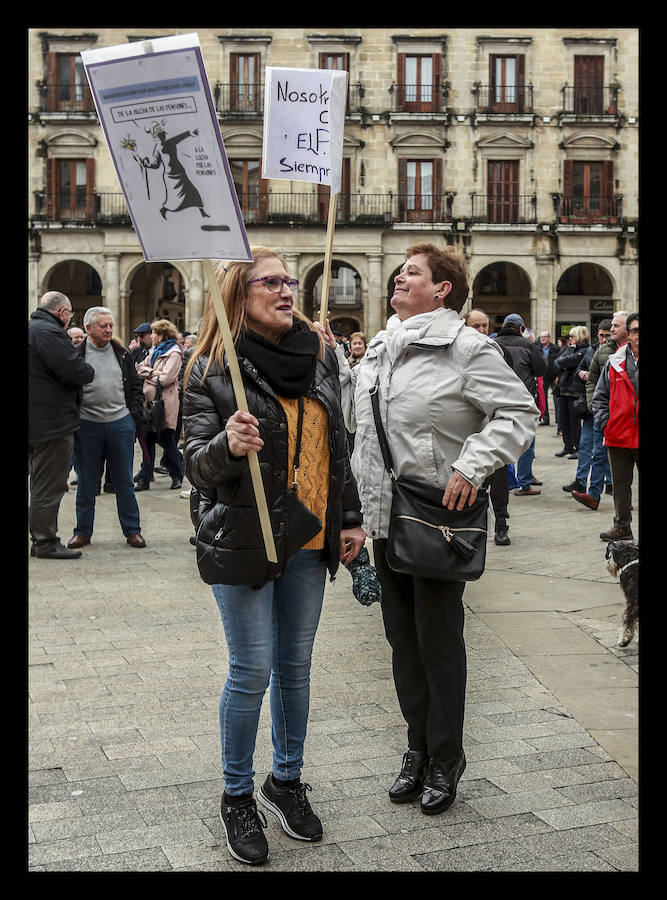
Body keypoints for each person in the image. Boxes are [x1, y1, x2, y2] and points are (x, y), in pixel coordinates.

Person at [334, 243, 538, 818]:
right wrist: (338, 373)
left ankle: (446, 756)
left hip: (437, 516)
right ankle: (416, 747)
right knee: (401, 642)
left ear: (442, 289)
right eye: (401, 270)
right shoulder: (380, 346)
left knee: (438, 641)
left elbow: (519, 413)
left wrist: (472, 466)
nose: (400, 277)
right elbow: (359, 425)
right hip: (384, 514)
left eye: (412, 272)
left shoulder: (467, 347)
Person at [182, 247, 364, 866]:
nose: (288, 290)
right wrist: (228, 447)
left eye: (290, 280)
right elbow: (195, 466)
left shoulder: (319, 357)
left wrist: (350, 515)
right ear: (239, 293)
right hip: (244, 536)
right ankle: (237, 795)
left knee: (296, 667)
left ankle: (285, 781)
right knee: (252, 670)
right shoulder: (209, 367)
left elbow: (338, 444)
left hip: (310, 539)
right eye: (272, 282)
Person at [67, 307, 146, 550]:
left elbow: (135, 387)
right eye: (103, 326)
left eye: (111, 325)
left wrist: (133, 416)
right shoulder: (76, 356)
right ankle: (82, 532)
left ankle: (133, 531)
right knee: (87, 482)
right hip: (87, 426)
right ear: (89, 328)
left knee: (124, 482)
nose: (109, 329)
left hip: (120, 423)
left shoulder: (123, 354)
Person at [29, 292, 95, 559]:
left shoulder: (32, 328)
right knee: (48, 485)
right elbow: (76, 370)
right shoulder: (49, 332)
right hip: (50, 423)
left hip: (36, 419)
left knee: (39, 483)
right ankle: (45, 542)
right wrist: (87, 369)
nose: (70, 320)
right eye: (70, 314)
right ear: (62, 312)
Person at [464, 308, 513, 545]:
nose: (483, 330)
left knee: (499, 479)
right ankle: (474, 526)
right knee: (473, 478)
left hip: (495, 426)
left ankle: (502, 524)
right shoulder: (459, 353)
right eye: (477, 326)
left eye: (485, 326)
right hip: (469, 428)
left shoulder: (499, 352)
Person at [593, 312, 639, 541]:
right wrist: (605, 422)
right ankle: (622, 526)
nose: (639, 335)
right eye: (635, 331)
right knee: (620, 486)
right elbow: (600, 396)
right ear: (629, 335)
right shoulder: (615, 362)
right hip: (618, 434)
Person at [566, 317, 617, 508]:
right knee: (596, 450)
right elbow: (592, 379)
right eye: (602, 334)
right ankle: (593, 493)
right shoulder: (596, 351)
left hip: (621, 411)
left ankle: (615, 489)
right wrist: (593, 405)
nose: (604, 338)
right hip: (597, 411)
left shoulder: (624, 352)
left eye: (609, 333)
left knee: (614, 454)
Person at [493, 314, 546, 497]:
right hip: (523, 398)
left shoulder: (494, 342)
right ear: (521, 328)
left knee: (498, 439)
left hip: (496, 398)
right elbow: (541, 370)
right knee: (526, 441)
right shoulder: (527, 345)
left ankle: (503, 482)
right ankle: (524, 481)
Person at [135, 319, 184, 490]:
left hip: (165, 403)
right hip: (149, 402)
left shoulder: (174, 352)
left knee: (167, 440)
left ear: (161, 336)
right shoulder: (154, 351)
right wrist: (153, 372)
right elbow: (138, 368)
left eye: (154, 333)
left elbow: (166, 379)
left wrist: (148, 374)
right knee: (147, 442)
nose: (152, 336)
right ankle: (145, 478)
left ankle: (177, 475)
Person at [553, 326, 590, 460]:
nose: (570, 339)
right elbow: (558, 361)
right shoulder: (571, 348)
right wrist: (565, 364)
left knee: (574, 422)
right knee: (564, 420)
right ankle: (568, 446)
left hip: (574, 391)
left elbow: (569, 361)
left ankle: (578, 448)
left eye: (572, 336)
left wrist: (565, 364)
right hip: (563, 389)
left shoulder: (585, 350)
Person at [537, 331, 560, 425]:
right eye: (541, 337)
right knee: (543, 397)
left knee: (556, 398)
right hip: (543, 376)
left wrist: (559, 375)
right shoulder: (537, 348)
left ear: (549, 338)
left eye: (544, 337)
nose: (542, 339)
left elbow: (560, 362)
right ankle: (545, 419)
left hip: (554, 375)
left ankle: (559, 420)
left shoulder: (556, 348)